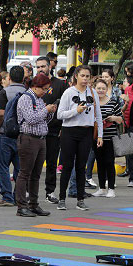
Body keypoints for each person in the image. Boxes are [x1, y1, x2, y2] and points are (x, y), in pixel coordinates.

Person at [55, 65, 102, 211]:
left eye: (88, 76)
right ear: (76, 76)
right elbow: (60, 114)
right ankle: (62, 198)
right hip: (69, 131)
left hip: (86, 132)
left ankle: (80, 199)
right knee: (67, 166)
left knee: (81, 167)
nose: (85, 79)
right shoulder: (69, 93)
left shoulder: (93, 93)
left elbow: (98, 116)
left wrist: (100, 134)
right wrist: (75, 111)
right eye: (82, 76)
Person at [15, 73, 56, 217]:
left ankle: (33, 204)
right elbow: (31, 119)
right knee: (24, 173)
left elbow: (43, 120)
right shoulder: (26, 98)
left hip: (40, 139)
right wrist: (46, 110)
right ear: (35, 86)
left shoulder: (39, 99)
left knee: (36, 175)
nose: (45, 92)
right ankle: (21, 206)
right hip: (28, 139)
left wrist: (50, 112)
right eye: (44, 89)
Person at [34, 56, 68, 204]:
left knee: (52, 163)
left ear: (50, 67)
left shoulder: (60, 84)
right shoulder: (32, 84)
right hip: (35, 130)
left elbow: (66, 106)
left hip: (54, 130)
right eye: (38, 67)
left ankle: (50, 191)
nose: (41, 69)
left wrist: (62, 127)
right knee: (34, 163)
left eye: (43, 66)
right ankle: (31, 191)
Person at [0, 66, 24, 207]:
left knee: (2, 166)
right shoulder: (28, 93)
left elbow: (0, 113)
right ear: (23, 78)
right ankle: (19, 196)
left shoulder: (5, 92)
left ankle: (7, 197)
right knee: (20, 168)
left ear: (9, 78)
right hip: (22, 135)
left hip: (6, 133)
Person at [91, 79, 123, 198]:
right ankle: (101, 188)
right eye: (98, 88)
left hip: (110, 137)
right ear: (94, 89)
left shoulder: (113, 102)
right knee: (99, 163)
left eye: (103, 88)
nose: (101, 91)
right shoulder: (92, 102)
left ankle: (111, 188)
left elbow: (121, 120)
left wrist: (113, 118)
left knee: (109, 162)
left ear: (107, 89)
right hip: (96, 137)